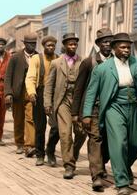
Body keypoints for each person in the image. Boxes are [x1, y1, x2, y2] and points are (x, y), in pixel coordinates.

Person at [83, 33, 137, 195]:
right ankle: (122, 182)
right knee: (118, 143)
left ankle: (124, 167)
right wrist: (86, 114)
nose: (126, 50)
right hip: (114, 107)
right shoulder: (102, 68)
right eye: (123, 47)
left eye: (128, 47)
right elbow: (91, 92)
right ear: (114, 48)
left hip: (135, 106)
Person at [71, 28, 113, 191]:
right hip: (93, 109)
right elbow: (79, 89)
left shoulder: (117, 62)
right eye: (104, 42)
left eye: (110, 42)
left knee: (109, 141)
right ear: (98, 44)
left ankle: (101, 166)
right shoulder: (89, 62)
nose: (108, 45)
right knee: (95, 140)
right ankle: (96, 176)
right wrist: (76, 113)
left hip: (110, 109)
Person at [44, 33, 86, 179]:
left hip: (78, 101)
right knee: (65, 133)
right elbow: (49, 85)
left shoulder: (83, 62)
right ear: (65, 45)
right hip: (62, 101)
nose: (73, 46)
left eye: (75, 44)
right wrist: (47, 103)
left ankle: (72, 155)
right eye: (70, 44)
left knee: (81, 133)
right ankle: (69, 165)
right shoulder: (56, 63)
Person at [26, 35, 59, 166]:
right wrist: (32, 93)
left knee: (56, 126)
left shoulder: (58, 59)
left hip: (54, 94)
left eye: (53, 46)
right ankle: (40, 154)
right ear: (43, 46)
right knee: (40, 127)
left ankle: (50, 151)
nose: (50, 48)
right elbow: (30, 77)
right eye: (48, 45)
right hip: (39, 93)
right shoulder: (36, 58)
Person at [4, 33, 37, 156]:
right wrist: (8, 93)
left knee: (30, 119)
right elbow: (8, 77)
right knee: (18, 119)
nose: (32, 46)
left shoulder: (38, 57)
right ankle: (19, 143)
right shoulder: (15, 57)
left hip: (31, 93)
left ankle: (29, 145)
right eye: (30, 43)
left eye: (34, 43)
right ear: (24, 44)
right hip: (17, 93)